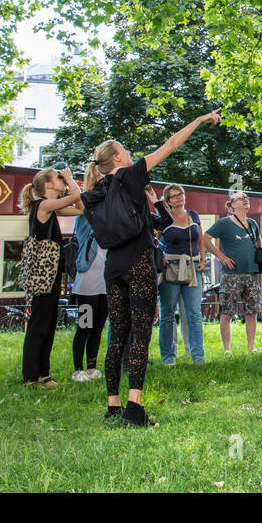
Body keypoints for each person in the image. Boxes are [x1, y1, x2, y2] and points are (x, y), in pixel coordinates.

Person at [97, 110, 220, 426]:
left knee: (117, 335)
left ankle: (113, 406)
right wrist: (198, 121)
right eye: (123, 150)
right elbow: (170, 145)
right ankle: (134, 408)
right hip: (139, 263)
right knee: (140, 332)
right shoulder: (130, 174)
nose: (128, 152)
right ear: (116, 158)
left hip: (113, 266)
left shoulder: (98, 190)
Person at [20, 167, 83, 386]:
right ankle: (30, 375)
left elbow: (79, 208)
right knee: (39, 324)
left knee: (47, 323)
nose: (62, 180)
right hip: (44, 273)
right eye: (57, 178)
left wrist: (67, 183)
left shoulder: (52, 208)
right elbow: (76, 196)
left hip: (53, 270)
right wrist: (69, 178)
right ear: (47, 185)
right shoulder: (44, 205)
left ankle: (43, 373)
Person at [204, 192, 262, 355]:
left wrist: (259, 252)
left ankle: (251, 348)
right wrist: (221, 256)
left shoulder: (252, 223)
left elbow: (259, 240)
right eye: (241, 198)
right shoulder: (224, 223)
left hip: (251, 273)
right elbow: (206, 238)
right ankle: (227, 349)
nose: (246, 200)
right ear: (232, 205)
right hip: (231, 274)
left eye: (247, 198)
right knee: (228, 312)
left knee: (252, 312)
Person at [157, 183, 206, 366]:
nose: (179, 197)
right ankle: (168, 357)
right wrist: (160, 257)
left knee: (194, 313)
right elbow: (156, 240)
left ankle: (198, 356)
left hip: (192, 266)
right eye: (174, 195)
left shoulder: (193, 215)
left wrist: (203, 260)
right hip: (171, 267)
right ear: (168, 201)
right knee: (168, 313)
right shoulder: (164, 219)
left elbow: (200, 240)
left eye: (181, 194)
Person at [70, 163, 108, 383]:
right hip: (87, 281)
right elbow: (86, 194)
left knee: (98, 326)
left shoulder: (107, 212)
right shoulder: (84, 212)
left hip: (105, 279)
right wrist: (93, 173)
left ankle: (92, 367)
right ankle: (78, 369)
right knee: (85, 325)